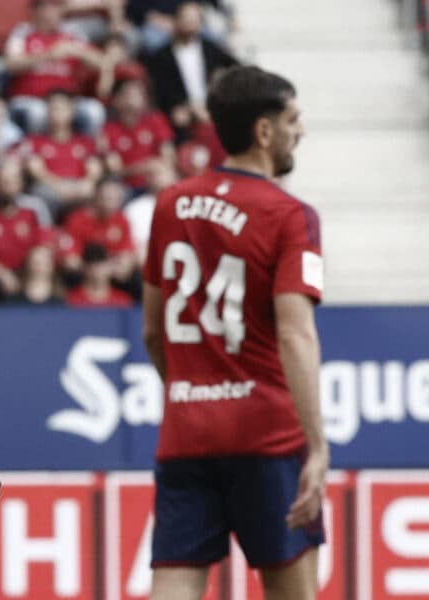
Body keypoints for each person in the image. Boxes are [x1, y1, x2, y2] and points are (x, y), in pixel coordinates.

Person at [140, 65, 326, 599]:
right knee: (291, 590)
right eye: (294, 119)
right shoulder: (290, 214)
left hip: (185, 431)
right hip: (268, 433)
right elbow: (296, 336)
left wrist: (190, 390)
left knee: (173, 586)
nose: (302, 131)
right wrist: (317, 445)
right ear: (264, 132)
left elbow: (153, 332)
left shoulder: (170, 203)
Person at [3, 0, 105, 134]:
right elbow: (11, 64)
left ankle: (82, 151)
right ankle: (39, 150)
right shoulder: (22, 32)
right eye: (46, 8)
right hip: (32, 99)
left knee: (94, 111)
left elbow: (102, 62)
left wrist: (77, 51)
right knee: (38, 113)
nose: (51, 13)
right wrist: (48, 55)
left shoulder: (72, 33)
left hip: (68, 102)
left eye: (55, 7)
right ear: (34, 11)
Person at [143, 1, 237, 137]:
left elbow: (234, 66)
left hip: (209, 107)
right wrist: (186, 106)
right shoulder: (161, 56)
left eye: (194, 20)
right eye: (186, 19)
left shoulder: (210, 48)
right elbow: (161, 90)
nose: (190, 24)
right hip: (179, 111)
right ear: (176, 20)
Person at [0, 159, 51, 302]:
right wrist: (2, 274)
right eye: (2, 181)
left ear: (20, 184)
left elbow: (45, 247)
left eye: (12, 181)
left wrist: (33, 274)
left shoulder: (35, 208)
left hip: (28, 269)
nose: (7, 186)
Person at [24, 89, 103, 214]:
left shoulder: (84, 141)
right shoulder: (36, 141)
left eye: (62, 108)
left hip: (79, 185)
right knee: (40, 193)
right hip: (52, 187)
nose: (57, 112)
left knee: (98, 192)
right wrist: (60, 187)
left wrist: (87, 183)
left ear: (72, 111)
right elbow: (36, 171)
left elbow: (94, 169)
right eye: (53, 108)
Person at [100, 78, 175, 191]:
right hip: (127, 189)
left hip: (157, 181)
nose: (136, 98)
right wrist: (145, 167)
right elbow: (114, 169)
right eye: (130, 94)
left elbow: (168, 156)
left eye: (140, 94)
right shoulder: (108, 130)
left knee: (167, 178)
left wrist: (154, 169)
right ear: (116, 100)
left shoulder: (156, 120)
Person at [66, 243, 132, 307]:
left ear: (110, 266)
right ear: (83, 268)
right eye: (92, 264)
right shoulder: (72, 300)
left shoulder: (122, 301)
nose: (97, 269)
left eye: (101, 263)